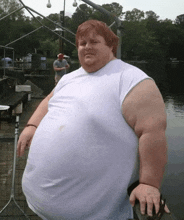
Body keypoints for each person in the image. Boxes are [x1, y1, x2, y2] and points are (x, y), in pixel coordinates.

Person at [17, 20, 169, 219]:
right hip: (38, 205)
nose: (86, 47)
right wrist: (32, 125)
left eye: (94, 42)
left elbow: (152, 132)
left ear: (111, 46)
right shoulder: (69, 78)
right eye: (82, 43)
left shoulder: (132, 80)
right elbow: (48, 100)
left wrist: (149, 183)